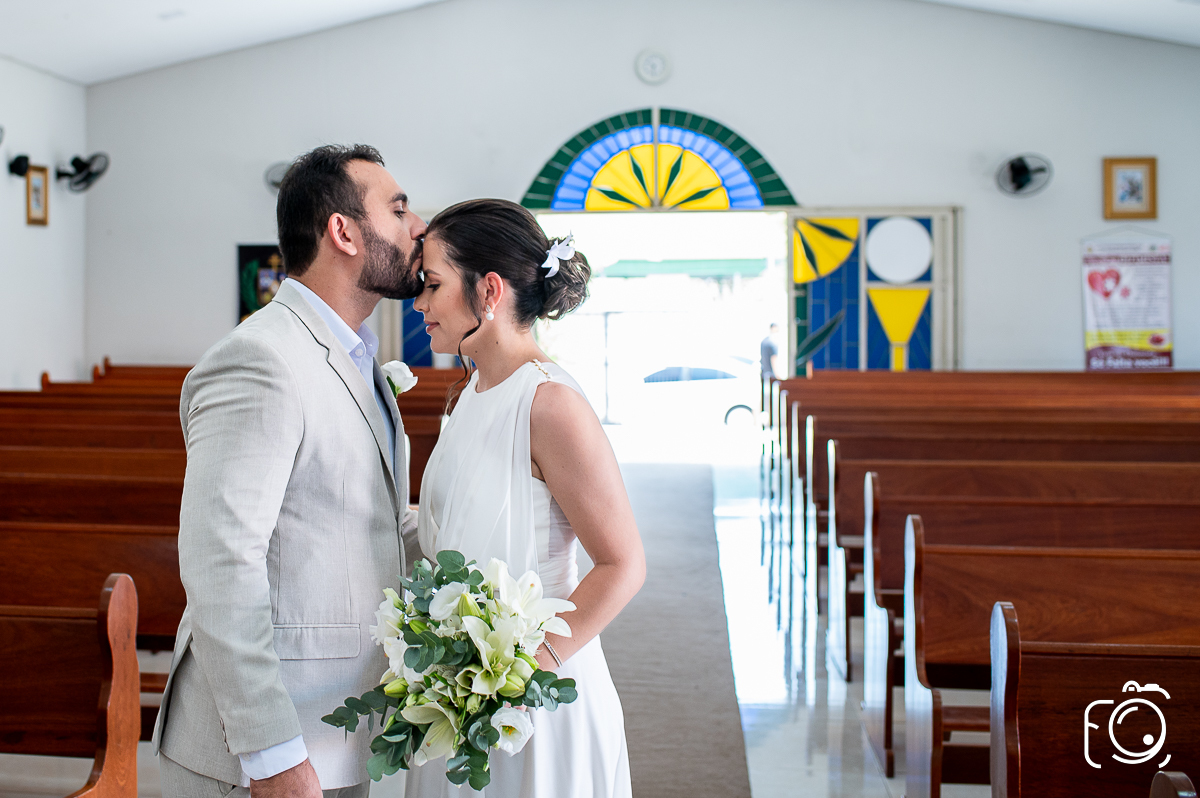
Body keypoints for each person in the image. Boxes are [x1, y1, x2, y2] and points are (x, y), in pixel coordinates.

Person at [153, 144, 427, 798]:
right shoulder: (261, 360)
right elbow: (223, 560)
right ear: (343, 232)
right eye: (397, 208)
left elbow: (371, 525)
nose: (418, 225)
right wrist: (271, 751)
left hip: (336, 727)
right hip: (259, 751)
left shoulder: (357, 356)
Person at [408, 198, 645, 797]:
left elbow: (623, 564)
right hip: (458, 686)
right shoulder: (467, 394)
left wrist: (518, 675)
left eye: (432, 285)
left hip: (536, 695)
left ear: (488, 291)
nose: (420, 304)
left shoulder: (550, 403)